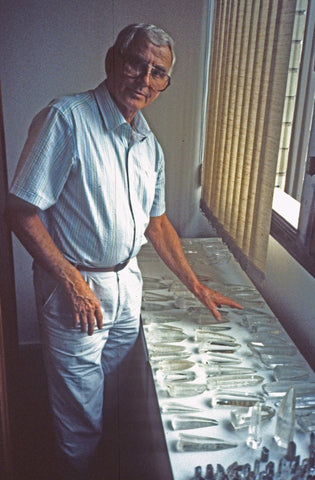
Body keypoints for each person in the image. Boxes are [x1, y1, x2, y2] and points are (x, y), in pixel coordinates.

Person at [6, 23, 242, 479]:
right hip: (76, 285)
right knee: (80, 414)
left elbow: (157, 223)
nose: (144, 79)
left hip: (126, 283)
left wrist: (197, 287)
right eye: (137, 63)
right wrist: (73, 284)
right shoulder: (66, 118)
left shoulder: (147, 142)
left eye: (158, 73)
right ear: (113, 60)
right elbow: (20, 211)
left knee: (110, 395)